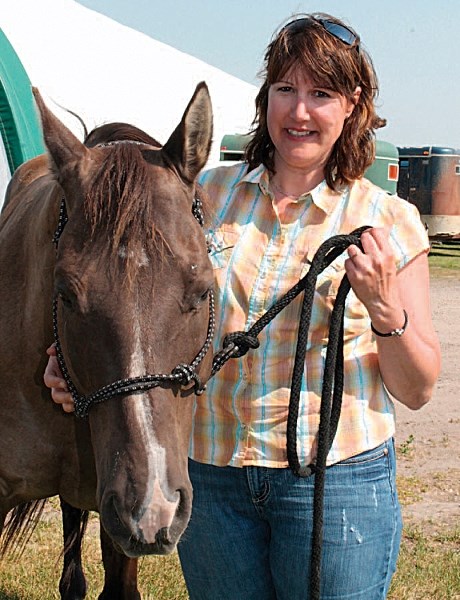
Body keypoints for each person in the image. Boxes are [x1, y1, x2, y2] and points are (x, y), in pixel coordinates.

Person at [45, 12, 441, 599]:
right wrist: (74, 366)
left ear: (352, 106)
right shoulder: (203, 195)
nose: (299, 112)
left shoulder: (386, 220)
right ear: (266, 99)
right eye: (286, 90)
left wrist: (387, 311)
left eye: (321, 94)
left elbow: (417, 388)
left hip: (333, 488)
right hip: (216, 479)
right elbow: (127, 293)